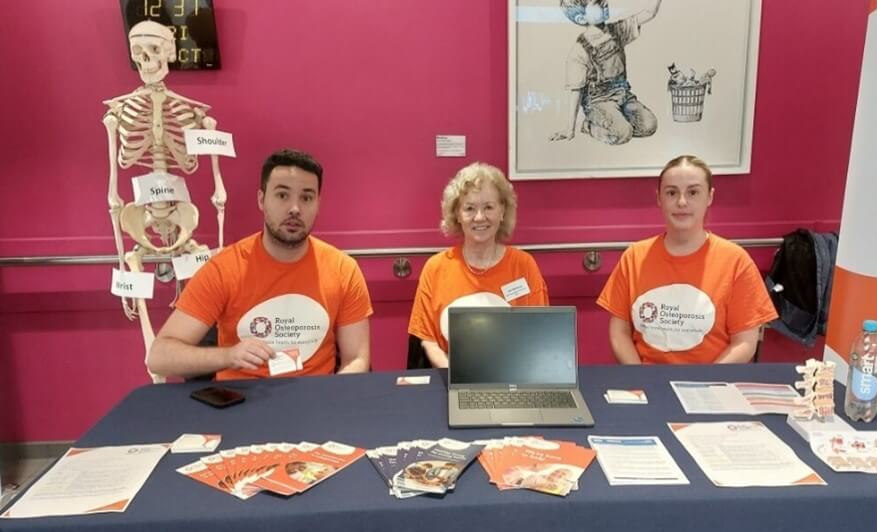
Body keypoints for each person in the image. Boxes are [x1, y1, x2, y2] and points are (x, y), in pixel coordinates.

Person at [147, 149, 372, 380]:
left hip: (315, 400)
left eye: (306, 198)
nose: (295, 209)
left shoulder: (343, 270)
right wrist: (228, 356)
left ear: (318, 204)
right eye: (283, 195)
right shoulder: (224, 269)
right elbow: (159, 357)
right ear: (261, 200)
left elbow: (357, 358)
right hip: (240, 402)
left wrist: (334, 400)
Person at [597, 154, 777, 364]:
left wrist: (704, 384)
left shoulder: (736, 261)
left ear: (709, 197)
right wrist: (640, 378)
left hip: (711, 386)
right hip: (645, 384)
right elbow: (619, 333)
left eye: (693, 192)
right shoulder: (634, 257)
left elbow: (745, 342)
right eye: (672, 193)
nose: (682, 202)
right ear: (659, 198)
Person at [407, 162, 548, 369]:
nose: (479, 217)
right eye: (470, 208)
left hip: (512, 377)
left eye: (489, 207)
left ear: (502, 212)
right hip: (449, 376)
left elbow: (538, 335)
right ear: (457, 214)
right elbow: (427, 341)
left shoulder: (524, 265)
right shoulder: (435, 268)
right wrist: (455, 375)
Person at [550, 0, 661, 145]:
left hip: (623, 94)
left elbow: (649, 13)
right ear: (581, 19)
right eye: (597, 2)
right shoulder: (579, 52)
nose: (605, 3)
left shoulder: (617, 30)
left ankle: (616, 121)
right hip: (598, 101)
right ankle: (588, 126)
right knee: (623, 133)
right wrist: (570, 128)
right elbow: (576, 92)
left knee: (649, 126)